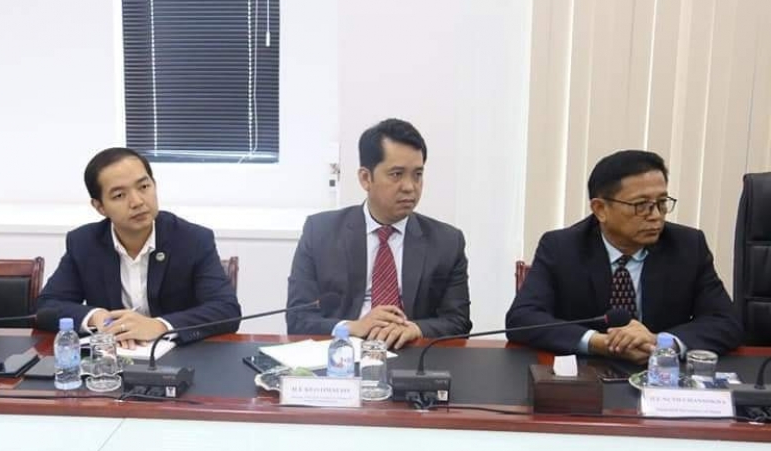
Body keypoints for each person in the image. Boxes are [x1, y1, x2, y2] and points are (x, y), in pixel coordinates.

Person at [506, 149, 743, 360]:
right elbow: (523, 318)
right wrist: (598, 343)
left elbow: (726, 322)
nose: (656, 215)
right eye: (641, 205)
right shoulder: (561, 247)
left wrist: (660, 342)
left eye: (661, 202)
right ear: (600, 209)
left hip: (662, 375)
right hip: (587, 374)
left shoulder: (688, 246)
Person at [286, 118, 472, 348]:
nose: (410, 187)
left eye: (417, 174)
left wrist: (416, 329)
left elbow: (459, 322)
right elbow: (297, 319)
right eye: (396, 174)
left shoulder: (447, 242)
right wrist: (351, 327)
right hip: (343, 354)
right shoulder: (320, 232)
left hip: (413, 353)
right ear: (366, 178)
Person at [36, 147, 241, 346]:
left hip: (179, 358)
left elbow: (227, 310)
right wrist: (95, 317)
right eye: (119, 195)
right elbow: (47, 306)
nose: (137, 202)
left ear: (154, 185)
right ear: (100, 207)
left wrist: (160, 326)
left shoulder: (193, 239)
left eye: (143, 187)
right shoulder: (84, 243)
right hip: (112, 359)